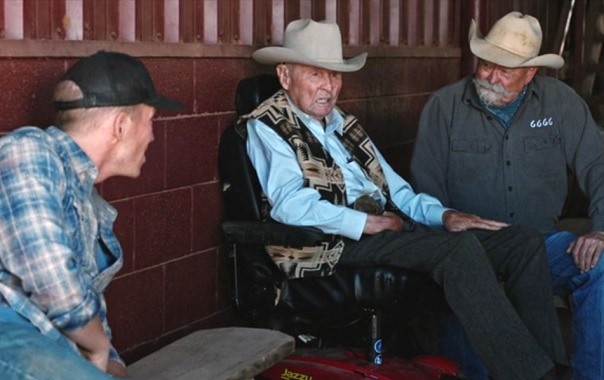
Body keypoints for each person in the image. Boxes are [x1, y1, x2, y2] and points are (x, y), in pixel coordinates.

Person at [239, 18, 568, 380]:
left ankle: (547, 364)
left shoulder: (344, 125)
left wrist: (445, 216)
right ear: (285, 76)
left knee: (522, 242)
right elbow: (289, 204)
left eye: (335, 76)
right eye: (316, 75)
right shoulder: (266, 125)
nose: (329, 87)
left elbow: (399, 192)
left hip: (385, 234)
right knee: (457, 251)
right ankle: (532, 375)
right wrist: (366, 223)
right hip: (331, 245)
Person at [411, 11, 604, 380]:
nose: (491, 76)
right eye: (486, 64)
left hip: (540, 247)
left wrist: (601, 229)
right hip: (470, 253)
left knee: (598, 267)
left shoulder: (559, 102)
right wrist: (452, 235)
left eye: (505, 70)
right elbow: (425, 194)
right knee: (471, 364)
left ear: (531, 72)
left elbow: (599, 166)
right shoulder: (444, 107)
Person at [0, 51, 182, 379]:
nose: (153, 136)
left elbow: (86, 311)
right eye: (150, 119)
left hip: (44, 346)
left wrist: (111, 362)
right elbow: (51, 277)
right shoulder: (27, 150)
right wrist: (99, 349)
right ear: (121, 125)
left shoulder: (90, 205)